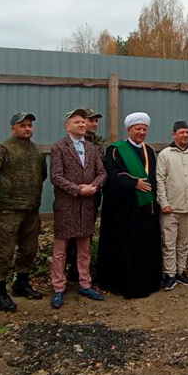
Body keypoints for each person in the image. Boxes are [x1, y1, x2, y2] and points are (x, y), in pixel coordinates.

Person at [0, 111, 46, 313]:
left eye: (29, 125)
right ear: (13, 127)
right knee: (5, 252)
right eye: (22, 125)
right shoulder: (2, 149)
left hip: (31, 208)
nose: (27, 129)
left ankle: (21, 283)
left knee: (29, 249)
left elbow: (42, 175)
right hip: (9, 210)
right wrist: (3, 192)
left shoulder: (37, 151)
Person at [98, 112, 164, 297]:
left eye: (144, 129)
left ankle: (148, 281)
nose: (141, 132)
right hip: (125, 210)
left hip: (145, 210)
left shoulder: (149, 150)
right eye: (137, 129)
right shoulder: (116, 150)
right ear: (129, 130)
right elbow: (113, 174)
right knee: (127, 246)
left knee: (145, 245)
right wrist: (134, 183)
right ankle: (127, 284)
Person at [50, 109, 107, 308]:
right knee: (60, 250)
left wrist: (95, 186)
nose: (82, 125)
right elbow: (56, 176)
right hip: (67, 205)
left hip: (87, 205)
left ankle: (85, 284)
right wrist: (77, 189)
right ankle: (58, 287)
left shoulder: (92, 148)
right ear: (67, 126)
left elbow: (102, 172)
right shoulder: (59, 147)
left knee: (84, 249)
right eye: (77, 122)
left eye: (83, 122)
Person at [156, 120, 188, 290]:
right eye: (181, 132)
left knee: (184, 242)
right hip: (170, 208)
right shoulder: (165, 154)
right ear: (174, 134)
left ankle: (181, 271)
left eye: (187, 132)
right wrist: (163, 202)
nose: (185, 135)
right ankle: (170, 274)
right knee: (168, 243)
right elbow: (160, 180)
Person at [65, 108, 108, 284]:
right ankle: (70, 266)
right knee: (70, 231)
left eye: (96, 121)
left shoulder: (101, 143)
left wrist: (94, 186)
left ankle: (83, 268)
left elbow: (103, 168)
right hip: (72, 195)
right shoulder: (68, 143)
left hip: (93, 193)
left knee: (87, 231)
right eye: (90, 120)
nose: (93, 124)